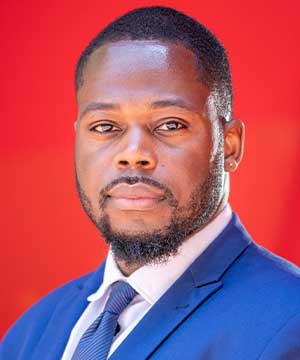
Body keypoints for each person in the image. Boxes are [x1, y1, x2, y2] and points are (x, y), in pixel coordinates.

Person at [1, 6, 300, 360]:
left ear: (229, 145)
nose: (133, 154)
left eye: (170, 124)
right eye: (105, 127)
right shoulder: (29, 333)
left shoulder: (288, 323)